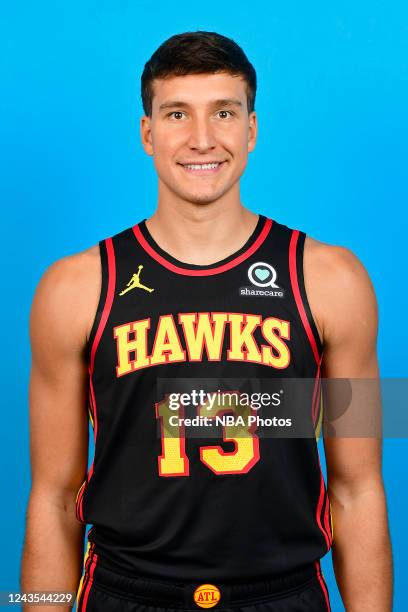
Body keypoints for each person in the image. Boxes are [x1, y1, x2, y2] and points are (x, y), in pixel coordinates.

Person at [21, 31, 393, 612]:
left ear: (252, 128)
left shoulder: (334, 279)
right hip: (125, 593)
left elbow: (359, 486)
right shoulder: (71, 288)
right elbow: (51, 496)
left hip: (283, 594)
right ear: (147, 133)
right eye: (176, 114)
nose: (201, 139)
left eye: (224, 112)